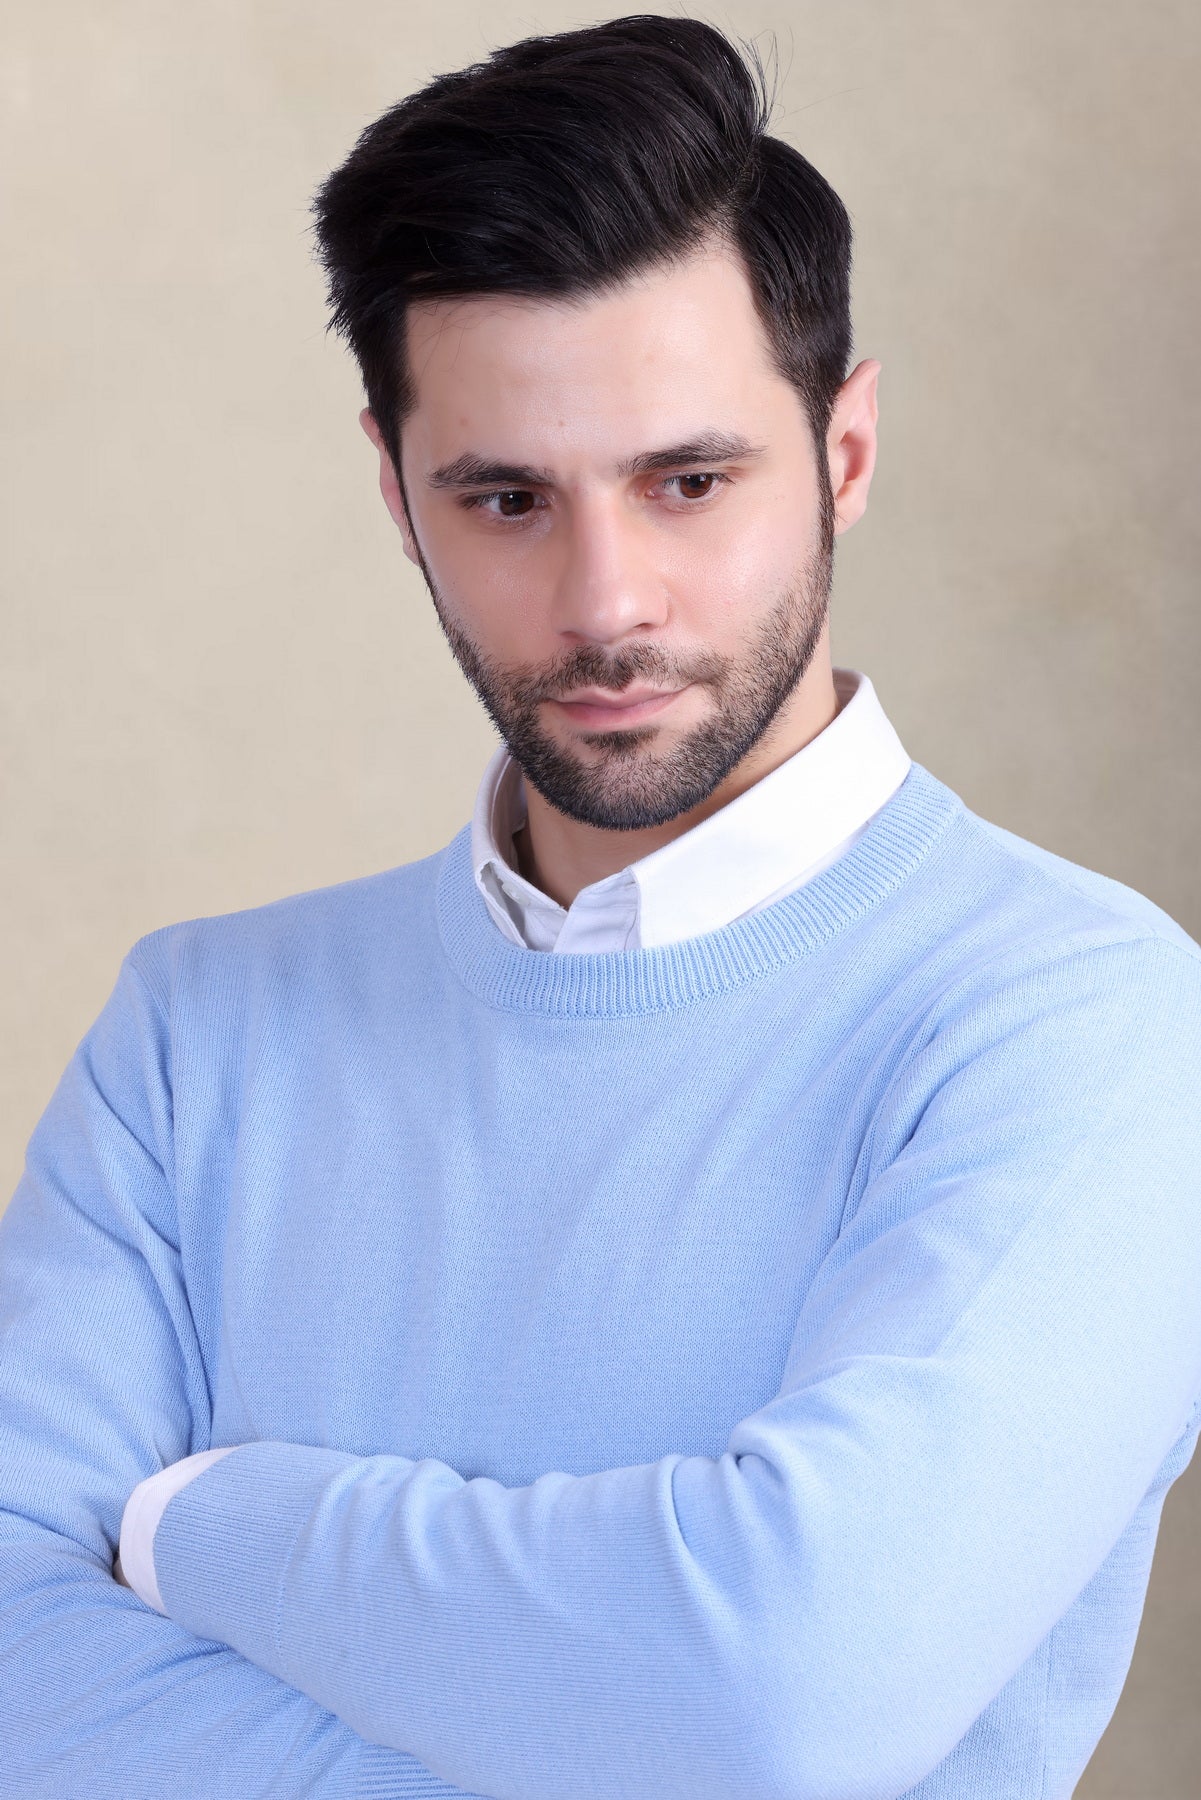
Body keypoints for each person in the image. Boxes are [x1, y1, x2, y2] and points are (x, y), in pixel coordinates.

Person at [2, 13, 1199, 1799]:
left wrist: (199, 1523)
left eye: (687, 482)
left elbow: (779, 1693)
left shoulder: (1090, 1028)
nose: (603, 601)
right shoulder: (193, 1038)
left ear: (845, 452)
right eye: (504, 498)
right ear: (397, 498)